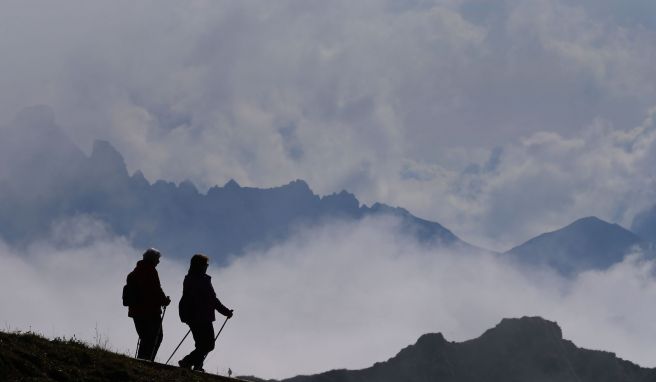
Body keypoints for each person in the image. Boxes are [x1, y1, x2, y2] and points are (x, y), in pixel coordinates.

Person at [178, 254, 233, 372]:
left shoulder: (189, 278)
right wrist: (226, 312)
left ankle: (197, 366)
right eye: (206, 264)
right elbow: (212, 299)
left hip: (191, 315)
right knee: (208, 345)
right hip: (202, 316)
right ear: (200, 265)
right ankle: (187, 361)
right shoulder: (202, 280)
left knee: (201, 344)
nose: (207, 266)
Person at [126, 248, 171, 361]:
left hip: (136, 311)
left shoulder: (134, 272)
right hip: (150, 311)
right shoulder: (150, 270)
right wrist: (165, 301)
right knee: (156, 337)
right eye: (157, 259)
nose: (158, 262)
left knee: (145, 337)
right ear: (152, 259)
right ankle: (147, 361)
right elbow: (155, 289)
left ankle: (141, 360)